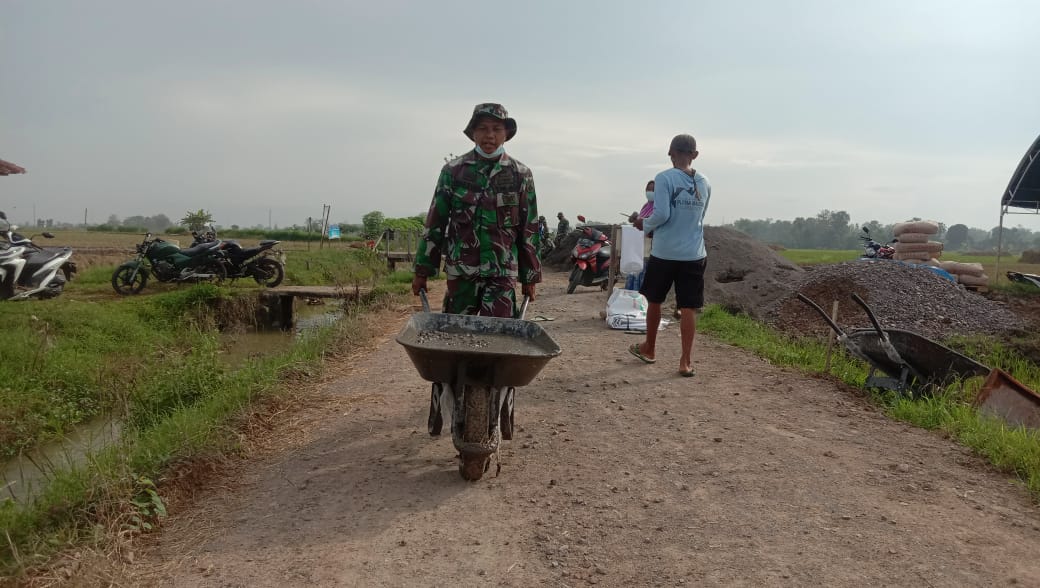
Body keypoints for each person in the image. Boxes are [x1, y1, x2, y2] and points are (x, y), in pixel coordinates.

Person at [412, 102, 541, 315]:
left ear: (506, 134)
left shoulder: (521, 174)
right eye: (482, 128)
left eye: (496, 129)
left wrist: (530, 278)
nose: (489, 135)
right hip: (462, 274)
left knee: (500, 338)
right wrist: (422, 272)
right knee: (457, 336)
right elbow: (436, 222)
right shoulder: (453, 172)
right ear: (473, 133)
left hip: (501, 273)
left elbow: (529, 228)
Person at [628, 134, 711, 377]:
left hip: (665, 253)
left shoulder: (664, 178)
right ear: (694, 155)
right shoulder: (705, 181)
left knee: (655, 300)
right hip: (694, 253)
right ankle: (685, 361)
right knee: (688, 307)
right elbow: (701, 215)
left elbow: (662, 214)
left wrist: (643, 224)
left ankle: (650, 348)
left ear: (670, 152)